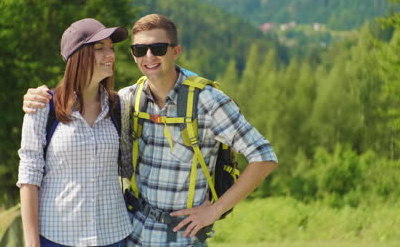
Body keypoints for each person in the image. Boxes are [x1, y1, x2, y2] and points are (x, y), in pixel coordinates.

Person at [23, 14, 278, 247]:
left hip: (180, 239)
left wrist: (216, 210)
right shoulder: (128, 100)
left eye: (158, 49)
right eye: (139, 49)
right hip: (132, 234)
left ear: (175, 51)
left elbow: (264, 156)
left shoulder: (208, 101)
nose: (149, 56)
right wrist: (38, 97)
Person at [17, 18, 132, 247]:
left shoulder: (121, 106)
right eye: (100, 48)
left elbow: (129, 166)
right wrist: (31, 242)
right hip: (57, 236)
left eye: (111, 48)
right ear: (77, 56)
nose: (110, 54)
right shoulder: (42, 107)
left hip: (113, 235)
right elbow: (29, 178)